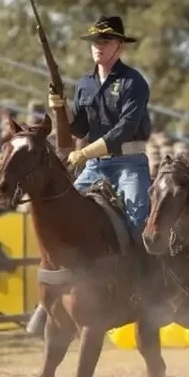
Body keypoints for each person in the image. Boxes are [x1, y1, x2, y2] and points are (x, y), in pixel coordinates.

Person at [48, 15, 151, 237]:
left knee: (137, 223)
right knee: (64, 212)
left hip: (129, 165)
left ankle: (146, 271)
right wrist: (61, 109)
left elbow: (125, 129)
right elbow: (79, 129)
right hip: (95, 165)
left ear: (120, 46)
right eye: (95, 42)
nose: (98, 47)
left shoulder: (134, 82)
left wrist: (84, 152)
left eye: (105, 42)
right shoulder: (85, 84)